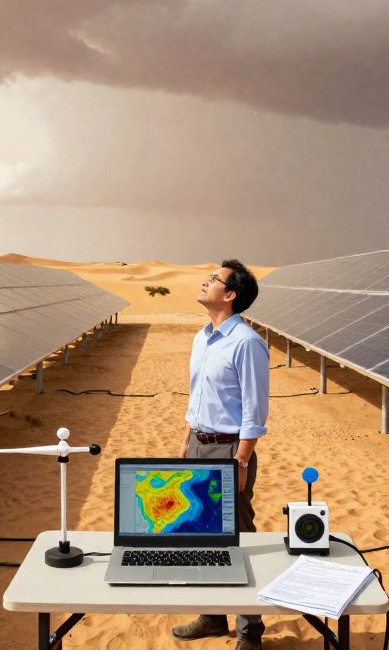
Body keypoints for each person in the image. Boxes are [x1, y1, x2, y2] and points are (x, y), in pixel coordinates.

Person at [170, 260, 269, 650]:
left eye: (214, 279)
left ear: (230, 295)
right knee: (200, 531)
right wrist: (186, 439)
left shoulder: (246, 342)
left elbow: (255, 411)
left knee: (238, 537)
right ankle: (213, 616)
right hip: (198, 442)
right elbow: (199, 397)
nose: (205, 281)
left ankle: (250, 632)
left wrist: (241, 460)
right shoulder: (201, 337)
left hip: (229, 449)